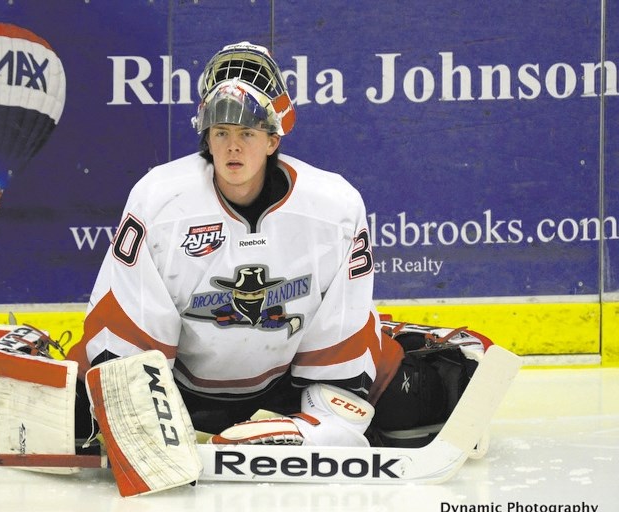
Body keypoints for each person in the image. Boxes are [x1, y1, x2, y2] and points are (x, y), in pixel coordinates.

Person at [65, 42, 488, 449]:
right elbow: (125, 343)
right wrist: (137, 421)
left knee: (420, 405)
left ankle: (404, 339)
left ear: (273, 140)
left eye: (247, 132)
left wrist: (319, 427)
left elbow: (338, 360)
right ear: (206, 137)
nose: (232, 146)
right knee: (74, 419)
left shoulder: (333, 209)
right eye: (221, 131)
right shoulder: (160, 202)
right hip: (180, 388)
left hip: (282, 385)